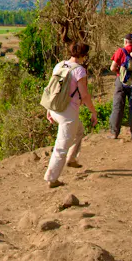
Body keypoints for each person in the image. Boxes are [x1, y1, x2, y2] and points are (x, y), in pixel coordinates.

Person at [44, 42, 98, 188]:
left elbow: (51, 88)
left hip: (56, 109)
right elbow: (85, 95)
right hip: (68, 113)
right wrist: (93, 111)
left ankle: (72, 158)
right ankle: (52, 179)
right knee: (61, 147)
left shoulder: (60, 64)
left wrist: (49, 109)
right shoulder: (79, 70)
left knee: (79, 130)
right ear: (84, 55)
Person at [107, 33, 132, 140]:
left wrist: (120, 72)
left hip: (121, 82)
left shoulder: (121, 51)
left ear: (125, 41)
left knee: (117, 106)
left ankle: (114, 132)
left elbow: (113, 68)